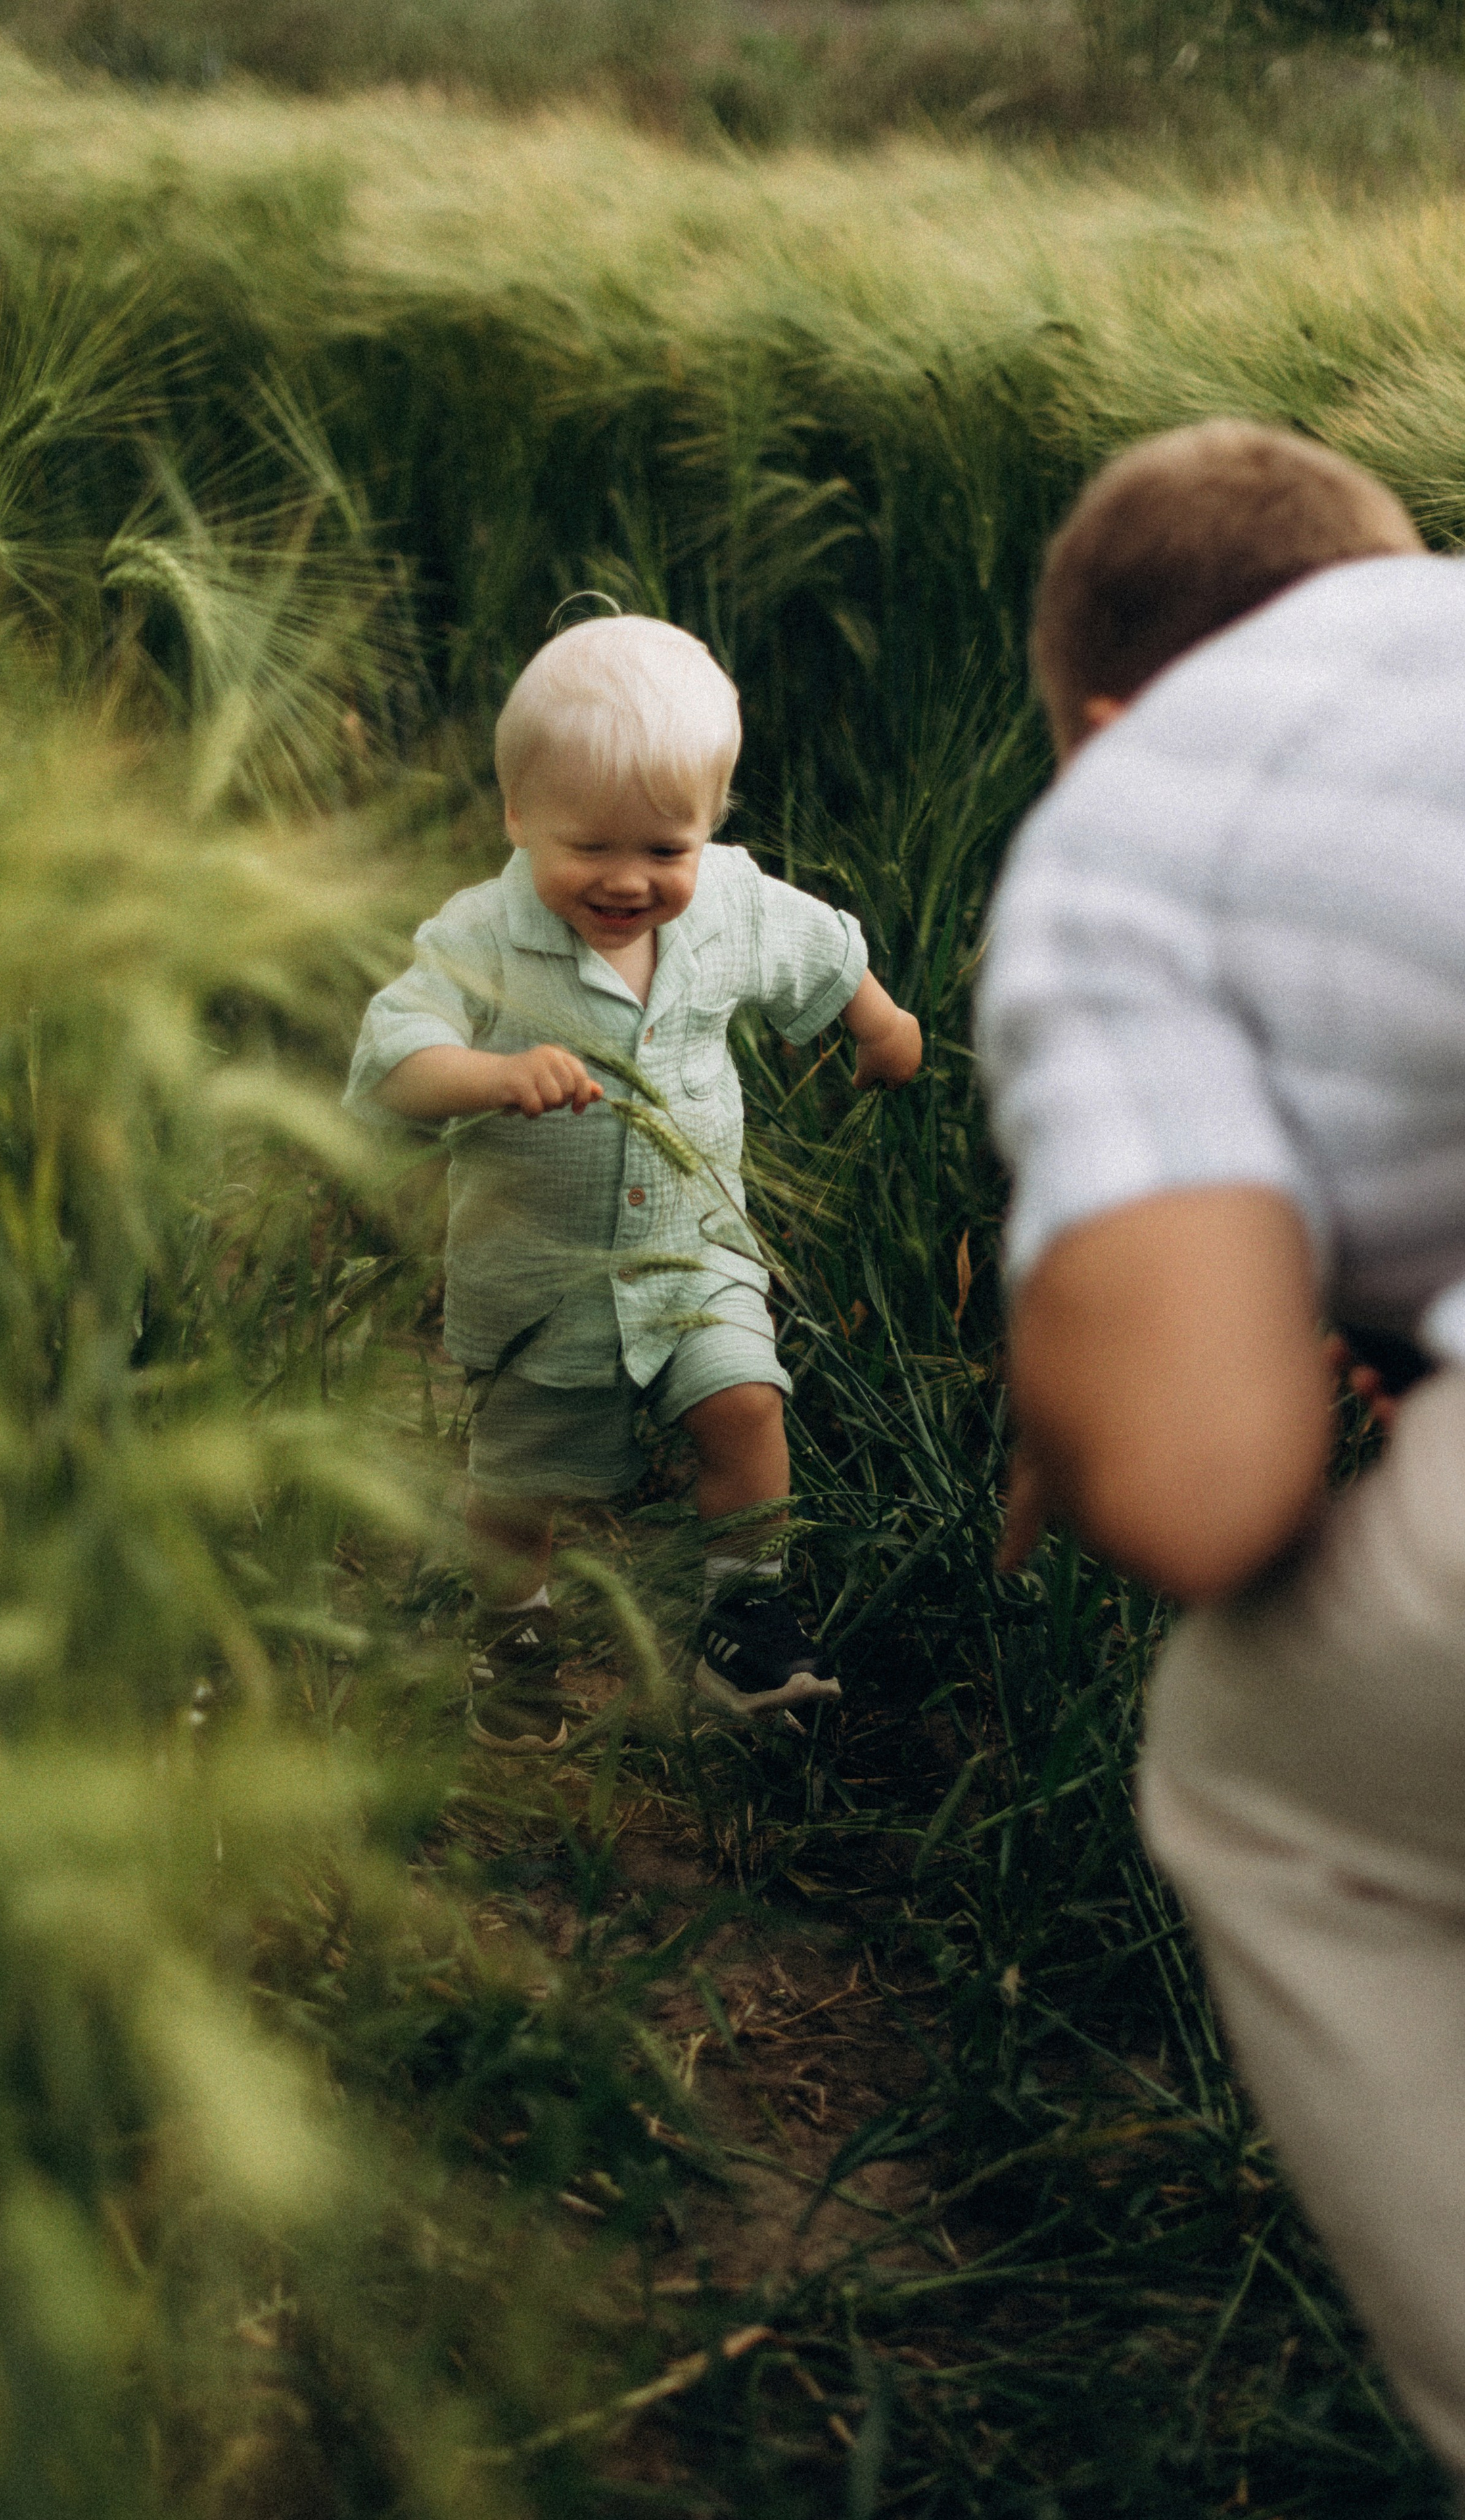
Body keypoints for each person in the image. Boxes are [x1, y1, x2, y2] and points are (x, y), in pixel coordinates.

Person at [974, 417, 1465, 2488]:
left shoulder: (1140, 808)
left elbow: (1199, 1480)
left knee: (1269, 1779)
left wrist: (1085, 1382)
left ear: (1100, 721)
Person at [348, 614, 921, 1750]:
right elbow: (391, 1059)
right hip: (540, 1281)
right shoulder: (480, 936)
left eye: (666, 849)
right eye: (590, 847)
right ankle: (513, 1630)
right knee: (519, 1487)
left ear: (711, 826)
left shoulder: (732, 904)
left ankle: (744, 1616)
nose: (627, 879)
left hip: (698, 1252)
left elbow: (822, 949)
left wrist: (883, 1025)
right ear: (517, 816)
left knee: (745, 1405)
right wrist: (489, 1074)